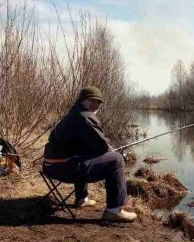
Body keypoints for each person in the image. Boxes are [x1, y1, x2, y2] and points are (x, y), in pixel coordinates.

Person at [42, 86, 137, 222]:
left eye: (98, 101)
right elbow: (102, 147)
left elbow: (92, 145)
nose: (95, 104)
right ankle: (114, 211)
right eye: (91, 100)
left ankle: (82, 199)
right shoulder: (85, 117)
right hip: (63, 169)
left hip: (51, 167)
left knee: (83, 153)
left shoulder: (73, 114)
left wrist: (105, 148)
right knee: (117, 159)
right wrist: (113, 150)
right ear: (82, 100)